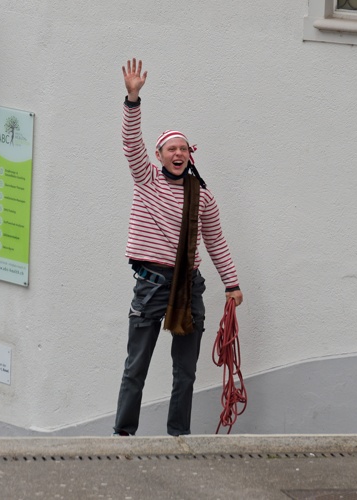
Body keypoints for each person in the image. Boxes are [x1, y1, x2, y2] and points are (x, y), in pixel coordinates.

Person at [113, 59, 244, 437]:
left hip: (190, 286)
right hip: (151, 285)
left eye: (183, 149)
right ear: (158, 155)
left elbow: (216, 241)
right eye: (171, 148)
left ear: (190, 154)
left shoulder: (201, 196)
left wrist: (232, 285)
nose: (178, 154)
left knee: (185, 372)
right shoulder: (146, 179)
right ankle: (123, 437)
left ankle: (178, 437)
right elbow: (130, 142)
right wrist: (133, 98)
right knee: (135, 367)